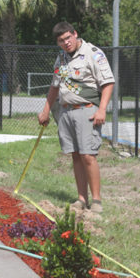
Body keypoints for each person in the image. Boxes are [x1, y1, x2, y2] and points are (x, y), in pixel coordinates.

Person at [38, 22, 114, 213]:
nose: (66, 43)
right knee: (76, 156)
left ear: (75, 34)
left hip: (87, 110)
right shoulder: (61, 58)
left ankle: (96, 201)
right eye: (61, 41)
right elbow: (55, 86)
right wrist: (46, 110)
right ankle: (81, 198)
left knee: (88, 155)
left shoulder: (93, 53)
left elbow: (108, 83)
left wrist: (102, 110)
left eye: (68, 38)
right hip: (66, 111)